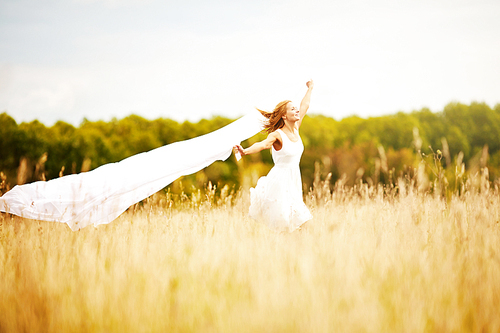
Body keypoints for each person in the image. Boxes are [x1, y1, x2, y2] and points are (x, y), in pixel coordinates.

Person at [233, 80, 314, 231]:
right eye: (292, 109)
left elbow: (305, 106)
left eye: (296, 109)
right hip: (280, 181)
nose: (297, 111)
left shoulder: (296, 128)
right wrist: (245, 151)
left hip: (294, 179)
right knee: (292, 224)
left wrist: (310, 88)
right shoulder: (277, 135)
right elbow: (263, 145)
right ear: (284, 115)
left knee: (296, 225)